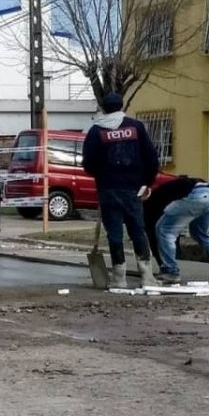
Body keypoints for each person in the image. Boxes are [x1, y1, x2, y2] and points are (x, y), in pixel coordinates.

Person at [81, 91, 160, 288]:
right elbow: (151, 158)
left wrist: (102, 174)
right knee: (137, 231)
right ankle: (147, 276)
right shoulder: (136, 127)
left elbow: (88, 164)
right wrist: (147, 182)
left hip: (108, 189)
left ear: (104, 108)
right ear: (121, 106)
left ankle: (119, 277)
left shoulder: (96, 131)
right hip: (133, 189)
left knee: (114, 233)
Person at [143, 172, 209, 284]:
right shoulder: (160, 180)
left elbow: (151, 228)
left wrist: (160, 262)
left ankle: (171, 272)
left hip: (194, 195)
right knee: (201, 233)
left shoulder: (148, 190)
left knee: (164, 230)